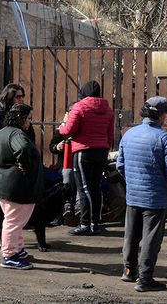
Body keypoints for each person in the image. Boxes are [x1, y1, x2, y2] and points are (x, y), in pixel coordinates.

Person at [117, 97, 167, 292]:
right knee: (151, 238)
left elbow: (120, 165)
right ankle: (145, 278)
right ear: (160, 115)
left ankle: (129, 270)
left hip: (134, 194)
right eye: (166, 113)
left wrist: (133, 182)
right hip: (155, 196)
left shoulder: (129, 134)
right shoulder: (164, 138)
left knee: (131, 234)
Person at [59, 81, 114, 236]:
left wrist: (61, 129)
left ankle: (85, 224)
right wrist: (105, 147)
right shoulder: (108, 110)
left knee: (83, 188)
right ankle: (95, 222)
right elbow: (110, 134)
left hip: (83, 151)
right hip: (101, 151)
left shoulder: (79, 107)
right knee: (95, 187)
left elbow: (68, 130)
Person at [0, 104, 44, 270]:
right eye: (28, 118)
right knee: (14, 221)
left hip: (5, 184)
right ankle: (9, 255)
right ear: (20, 118)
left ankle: (17, 248)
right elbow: (22, 149)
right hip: (17, 187)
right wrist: (26, 166)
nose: (30, 122)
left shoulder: (3, 131)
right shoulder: (16, 133)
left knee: (15, 220)